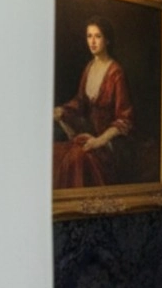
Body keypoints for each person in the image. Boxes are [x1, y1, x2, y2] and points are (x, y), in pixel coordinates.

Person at [53, 16, 135, 188]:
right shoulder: (89, 67)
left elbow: (124, 119)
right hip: (89, 136)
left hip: (109, 143)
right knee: (57, 153)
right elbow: (80, 102)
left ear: (107, 40)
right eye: (89, 36)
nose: (93, 41)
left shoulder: (116, 73)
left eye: (97, 36)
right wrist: (62, 110)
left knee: (77, 159)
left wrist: (99, 141)